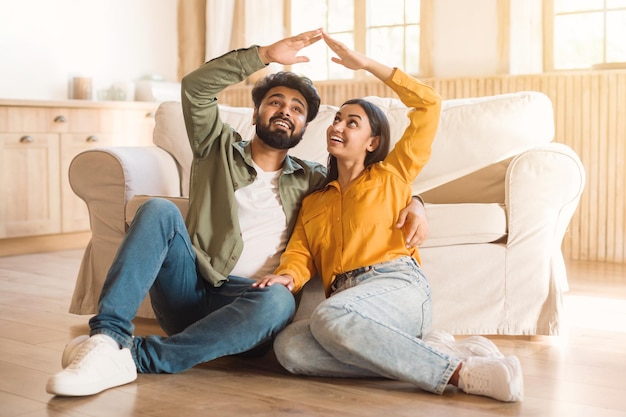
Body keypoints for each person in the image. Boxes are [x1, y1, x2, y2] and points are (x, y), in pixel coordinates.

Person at [45, 29, 428, 397]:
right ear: (257, 110)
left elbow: (363, 191)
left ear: (304, 126)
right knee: (158, 209)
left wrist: (415, 201)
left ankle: (134, 357)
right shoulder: (217, 148)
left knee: (280, 301)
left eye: (297, 109)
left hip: (250, 306)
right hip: (190, 288)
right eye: (275, 101)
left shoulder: (313, 181)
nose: (285, 111)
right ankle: (105, 339)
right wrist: (263, 55)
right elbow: (195, 88)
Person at [253, 31, 524, 403]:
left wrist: (366, 65)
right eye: (338, 119)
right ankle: (440, 352)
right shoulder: (314, 200)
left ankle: (462, 373)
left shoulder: (392, 174)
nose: (338, 126)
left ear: (373, 142)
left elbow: (429, 105)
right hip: (347, 302)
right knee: (290, 349)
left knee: (329, 318)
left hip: (397, 286)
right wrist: (286, 276)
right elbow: (300, 255)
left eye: (353, 123)